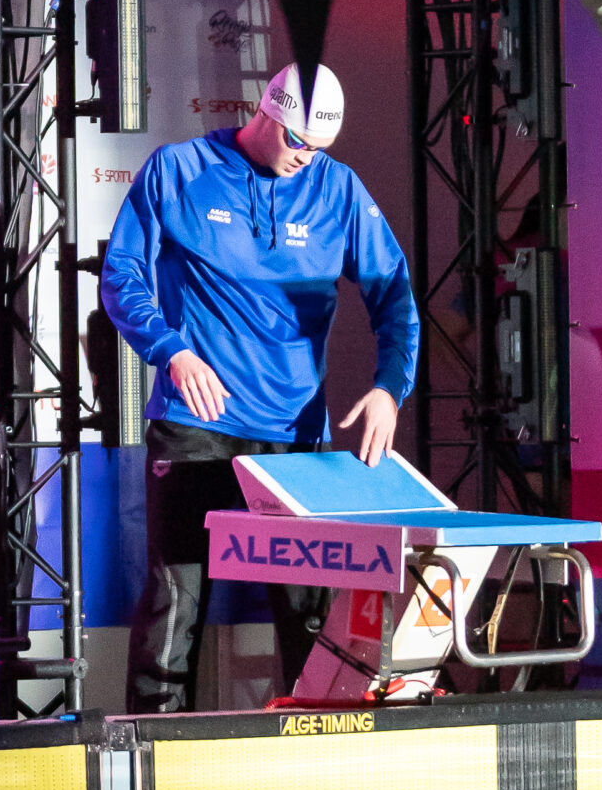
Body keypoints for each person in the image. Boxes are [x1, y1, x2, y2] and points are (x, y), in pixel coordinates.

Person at [102, 61, 420, 713]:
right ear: (266, 112)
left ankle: (315, 746)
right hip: (195, 427)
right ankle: (151, 748)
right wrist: (172, 351)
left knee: (310, 614)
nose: (308, 158)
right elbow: (122, 276)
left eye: (320, 147)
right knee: (175, 601)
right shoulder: (180, 169)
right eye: (299, 141)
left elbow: (395, 296)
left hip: (293, 436)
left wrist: (390, 387)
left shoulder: (337, 189)